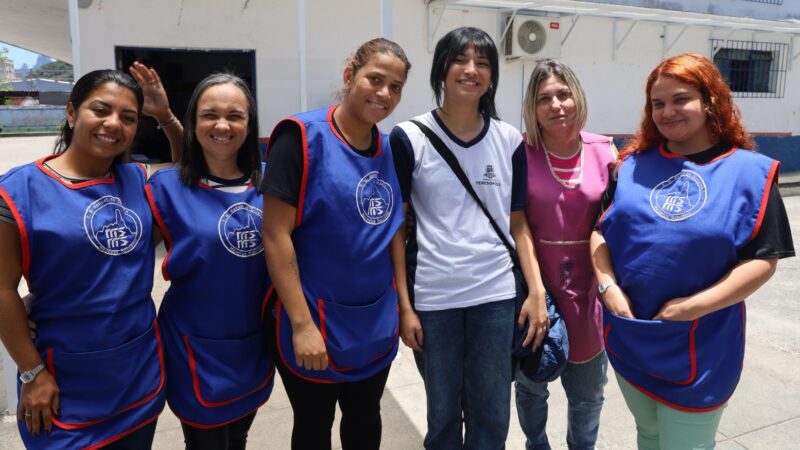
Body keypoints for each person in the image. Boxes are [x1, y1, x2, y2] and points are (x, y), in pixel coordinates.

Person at [591, 53, 794, 449]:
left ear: (710, 101)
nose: (667, 112)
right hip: (633, 336)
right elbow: (599, 232)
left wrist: (690, 308)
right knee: (648, 434)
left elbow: (762, 260)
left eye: (680, 99)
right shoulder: (630, 166)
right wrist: (607, 286)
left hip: (702, 344)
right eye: (658, 103)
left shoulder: (751, 173)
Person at [0, 67, 177, 449]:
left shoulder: (138, 180)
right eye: (100, 110)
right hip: (62, 385)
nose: (113, 123)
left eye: (128, 117)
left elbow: (186, 176)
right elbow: (2, 290)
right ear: (71, 112)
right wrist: (32, 373)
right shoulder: (18, 191)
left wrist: (165, 117)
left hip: (137, 376)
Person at [390, 27, 548, 449]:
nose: (471, 70)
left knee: (491, 413)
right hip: (434, 298)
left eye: (482, 62)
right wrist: (404, 306)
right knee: (442, 414)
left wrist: (536, 292)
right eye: (460, 60)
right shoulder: (408, 136)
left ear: (492, 76)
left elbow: (518, 223)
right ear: (441, 69)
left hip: (495, 297)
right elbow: (397, 230)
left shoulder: (508, 139)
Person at [261, 38, 411, 450]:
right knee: (314, 427)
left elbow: (394, 233)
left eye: (395, 87)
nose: (384, 93)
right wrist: (302, 325)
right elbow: (275, 235)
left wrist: (404, 307)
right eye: (375, 79)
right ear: (349, 75)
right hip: (314, 321)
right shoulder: (300, 138)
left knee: (365, 421)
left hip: (375, 322)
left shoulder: (389, 149)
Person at [145, 73, 273, 450]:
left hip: (254, 343)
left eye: (234, 116)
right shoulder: (165, 186)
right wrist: (49, 294)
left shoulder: (272, 184)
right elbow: (120, 258)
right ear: (193, 122)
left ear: (249, 124)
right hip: (192, 346)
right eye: (209, 115)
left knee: (239, 437)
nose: (222, 126)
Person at [516, 59, 613, 450]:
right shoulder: (519, 151)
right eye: (544, 98)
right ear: (532, 107)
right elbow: (516, 223)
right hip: (536, 287)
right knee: (531, 386)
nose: (556, 105)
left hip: (589, 290)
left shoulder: (605, 150)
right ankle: (536, 444)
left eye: (563, 94)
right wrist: (534, 291)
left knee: (588, 394)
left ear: (577, 97)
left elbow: (615, 222)